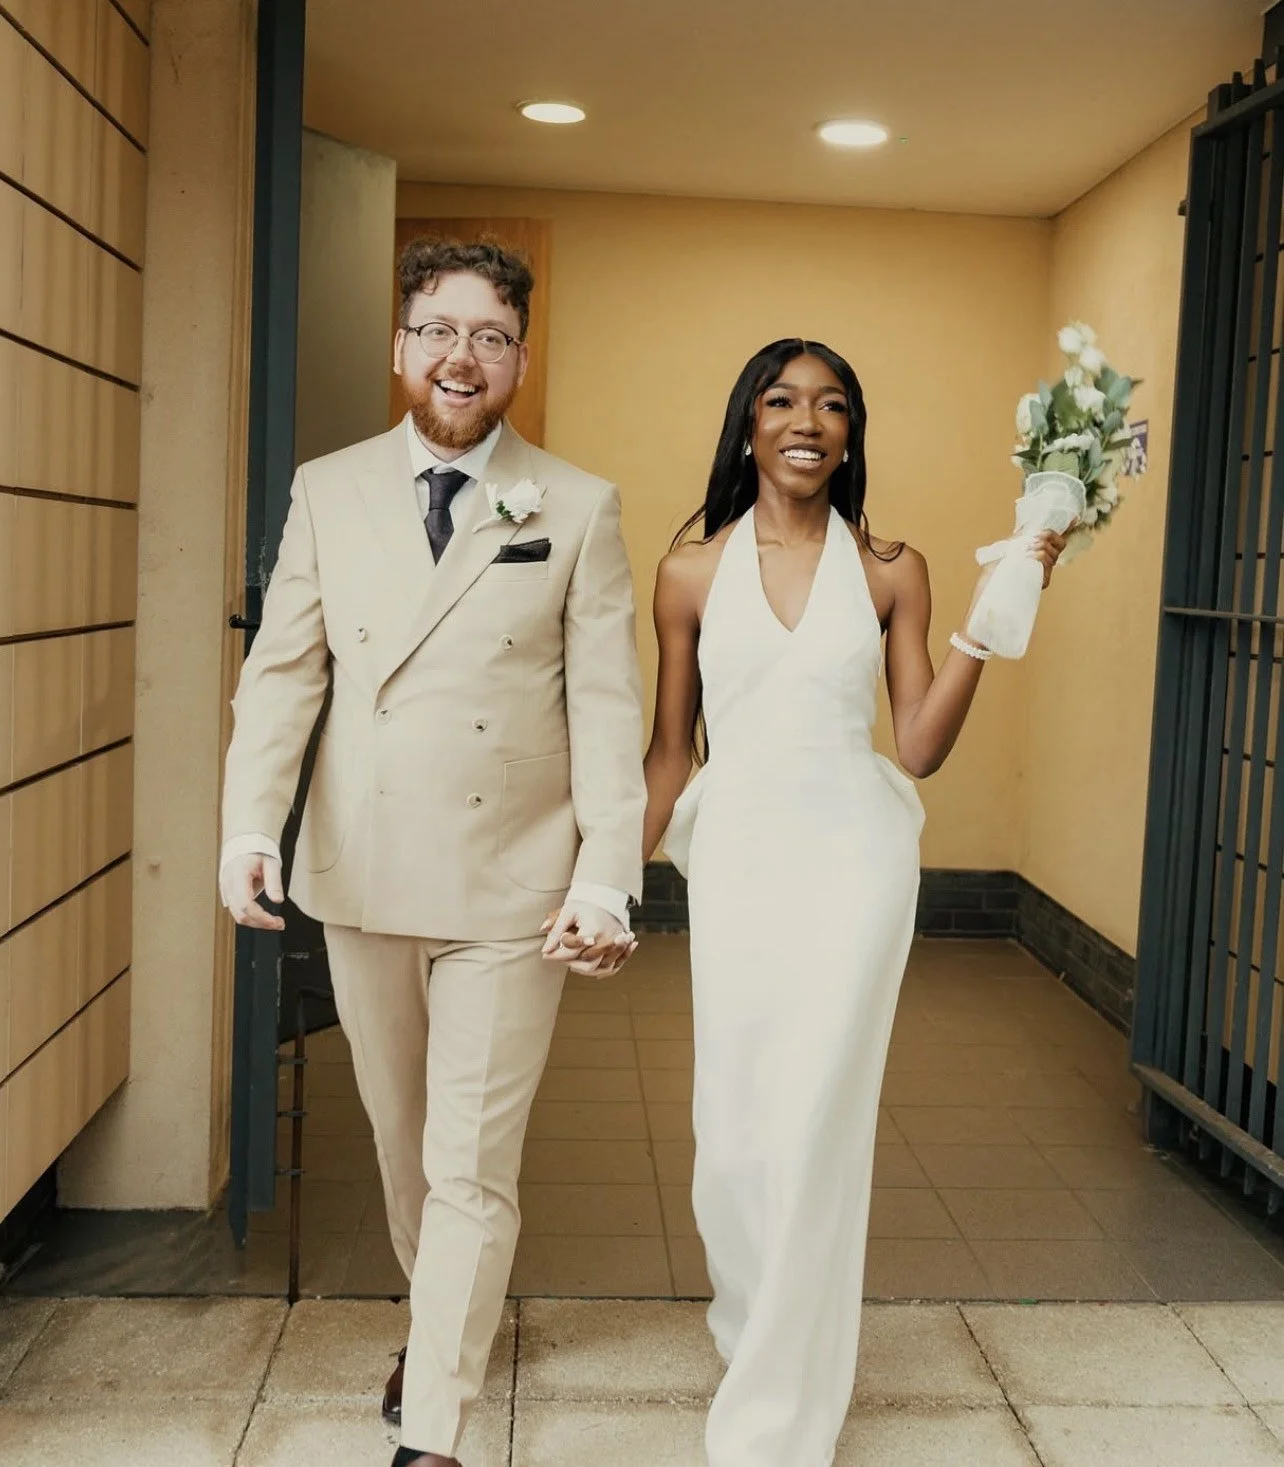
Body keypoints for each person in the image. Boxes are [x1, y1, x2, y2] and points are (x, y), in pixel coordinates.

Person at [219, 238, 646, 1467]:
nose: (464, 357)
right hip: (362, 867)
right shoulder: (328, 487)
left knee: (470, 1157)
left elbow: (610, 708)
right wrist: (254, 825)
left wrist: (606, 872)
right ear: (404, 347)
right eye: (440, 331)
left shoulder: (577, 503)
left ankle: (440, 1422)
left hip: (513, 878)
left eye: (491, 336)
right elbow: (286, 672)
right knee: (400, 1140)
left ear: (519, 357)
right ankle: (442, 1314)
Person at [641, 338, 1066, 1467]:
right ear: (748, 427)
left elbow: (918, 746)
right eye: (783, 401)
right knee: (731, 1133)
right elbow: (669, 757)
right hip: (735, 863)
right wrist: (602, 888)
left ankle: (778, 1420)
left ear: (851, 434)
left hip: (855, 865)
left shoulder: (890, 568)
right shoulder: (688, 572)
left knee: (819, 1120)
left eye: (833, 405)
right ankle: (755, 1328)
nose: (808, 420)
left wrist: (995, 612)